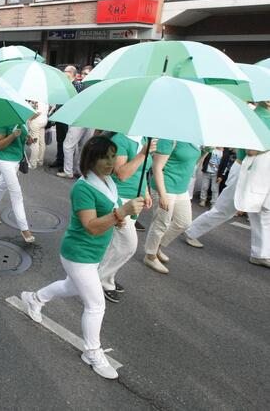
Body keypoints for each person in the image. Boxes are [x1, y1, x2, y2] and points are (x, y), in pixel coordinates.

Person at [21, 135, 144, 379]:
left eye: (112, 156)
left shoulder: (108, 181)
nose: (110, 162)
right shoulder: (83, 188)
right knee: (96, 305)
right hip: (79, 254)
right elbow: (91, 226)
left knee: (70, 287)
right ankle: (92, 352)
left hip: (94, 253)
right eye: (104, 157)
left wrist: (118, 219)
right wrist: (121, 213)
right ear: (91, 159)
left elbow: (108, 214)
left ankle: (34, 298)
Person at [97, 135, 156, 303]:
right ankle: (100, 281)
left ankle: (106, 277)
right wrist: (142, 154)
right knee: (128, 245)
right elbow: (122, 174)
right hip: (119, 199)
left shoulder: (145, 138)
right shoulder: (120, 140)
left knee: (115, 244)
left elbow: (143, 170)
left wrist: (145, 192)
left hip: (134, 200)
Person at [143, 139, 201, 274]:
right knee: (161, 223)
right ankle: (150, 255)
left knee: (184, 223)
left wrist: (204, 152)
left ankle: (156, 247)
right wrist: (162, 195)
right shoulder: (169, 139)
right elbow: (156, 167)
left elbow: (192, 164)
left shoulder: (193, 139)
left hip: (181, 189)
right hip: (166, 186)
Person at [232, 100, 270, 268]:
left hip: (260, 175)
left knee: (264, 213)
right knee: (222, 209)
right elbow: (251, 150)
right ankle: (189, 229)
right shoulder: (256, 116)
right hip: (245, 170)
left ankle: (261, 254)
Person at [0, 122, 35, 243]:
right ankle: (24, 229)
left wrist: (29, 140)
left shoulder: (22, 122)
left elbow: (24, 142)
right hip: (5, 161)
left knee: (1, 187)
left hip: (16, 161)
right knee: (16, 194)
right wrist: (12, 135)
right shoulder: (3, 121)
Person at [58, 66, 91, 179]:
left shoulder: (79, 85)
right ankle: (78, 170)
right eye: (83, 73)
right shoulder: (82, 85)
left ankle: (70, 171)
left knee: (69, 146)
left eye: (86, 74)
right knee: (81, 146)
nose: (83, 76)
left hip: (80, 119)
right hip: (84, 119)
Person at [26, 98, 48, 169]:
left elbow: (38, 112)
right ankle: (40, 160)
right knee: (41, 142)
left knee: (34, 143)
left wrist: (29, 119)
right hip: (44, 120)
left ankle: (33, 163)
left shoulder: (38, 98)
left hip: (36, 121)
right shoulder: (45, 98)